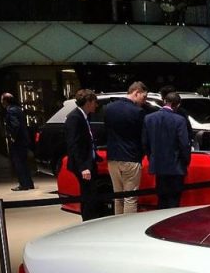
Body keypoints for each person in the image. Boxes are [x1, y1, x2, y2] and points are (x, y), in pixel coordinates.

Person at [103, 81, 148, 214]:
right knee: (130, 198)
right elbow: (142, 136)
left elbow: (106, 131)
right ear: (136, 92)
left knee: (118, 197)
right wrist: (142, 154)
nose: (144, 101)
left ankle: (118, 224)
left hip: (112, 157)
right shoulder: (138, 112)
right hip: (131, 157)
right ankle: (128, 225)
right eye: (143, 97)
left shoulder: (108, 108)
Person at [143, 91, 191, 209]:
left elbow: (145, 143)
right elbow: (184, 144)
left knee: (161, 200)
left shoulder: (149, 118)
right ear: (178, 105)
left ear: (164, 101)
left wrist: (151, 158)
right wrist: (185, 161)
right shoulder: (180, 120)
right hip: (176, 167)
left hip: (158, 166)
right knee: (174, 201)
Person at [65, 88, 103, 221]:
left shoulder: (84, 116)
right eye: (94, 102)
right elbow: (74, 144)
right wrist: (83, 167)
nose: (96, 105)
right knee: (88, 195)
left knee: (91, 194)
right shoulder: (74, 118)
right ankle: (88, 221)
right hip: (83, 165)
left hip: (89, 161)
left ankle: (90, 219)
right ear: (88, 102)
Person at [1, 93, 34, 191]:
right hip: (23, 139)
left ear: (5, 101)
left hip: (18, 140)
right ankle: (29, 183)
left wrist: (13, 137)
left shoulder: (11, 111)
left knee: (18, 162)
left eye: (2, 100)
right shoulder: (18, 109)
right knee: (24, 162)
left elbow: (15, 125)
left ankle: (23, 184)